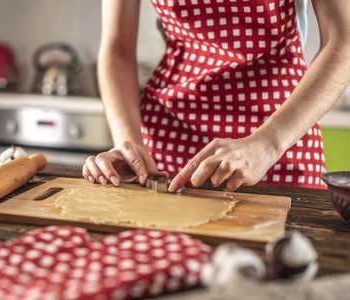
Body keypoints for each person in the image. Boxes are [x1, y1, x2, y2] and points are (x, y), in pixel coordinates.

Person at [83, 0, 350, 192]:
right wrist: (129, 144)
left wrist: (267, 145)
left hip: (281, 133)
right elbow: (118, 48)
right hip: (169, 134)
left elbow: (343, 40)